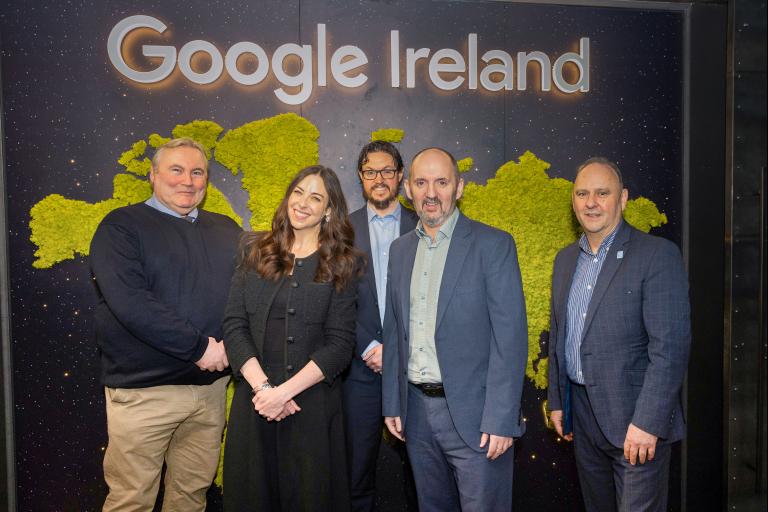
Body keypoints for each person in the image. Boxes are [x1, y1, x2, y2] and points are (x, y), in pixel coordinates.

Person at [90, 137, 241, 511]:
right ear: (153, 175)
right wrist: (200, 348)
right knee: (131, 499)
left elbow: (248, 295)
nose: (187, 181)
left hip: (210, 391)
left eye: (197, 172)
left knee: (190, 497)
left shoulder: (227, 229)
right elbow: (131, 303)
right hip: (145, 393)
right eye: (176, 170)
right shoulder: (121, 227)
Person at [382, 147, 528, 511]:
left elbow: (510, 339)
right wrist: (392, 403)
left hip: (477, 419)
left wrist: (501, 419)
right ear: (408, 190)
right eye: (421, 183)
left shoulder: (493, 245)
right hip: (416, 414)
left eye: (442, 182)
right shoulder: (400, 251)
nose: (431, 193)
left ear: (459, 188)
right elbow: (394, 330)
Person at [547, 157, 691, 511]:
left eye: (602, 193)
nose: (591, 203)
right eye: (582, 194)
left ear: (622, 198)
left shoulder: (657, 255)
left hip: (635, 422)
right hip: (583, 418)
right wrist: (558, 401)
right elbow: (560, 336)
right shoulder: (565, 261)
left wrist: (648, 423)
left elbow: (670, 349)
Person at [222, 165, 359, 511]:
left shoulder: (343, 263)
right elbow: (235, 325)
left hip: (312, 409)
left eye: (315, 198)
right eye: (298, 192)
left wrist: (283, 394)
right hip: (255, 404)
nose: (302, 203)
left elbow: (340, 345)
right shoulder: (255, 251)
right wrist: (265, 391)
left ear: (329, 211)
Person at [343, 141, 418, 511]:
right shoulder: (342, 230)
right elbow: (335, 299)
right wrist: (370, 347)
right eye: (370, 171)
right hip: (360, 373)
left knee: (423, 474)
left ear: (400, 175)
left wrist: (398, 350)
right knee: (355, 475)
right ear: (361, 176)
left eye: (387, 170)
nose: (379, 179)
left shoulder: (424, 224)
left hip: (416, 374)